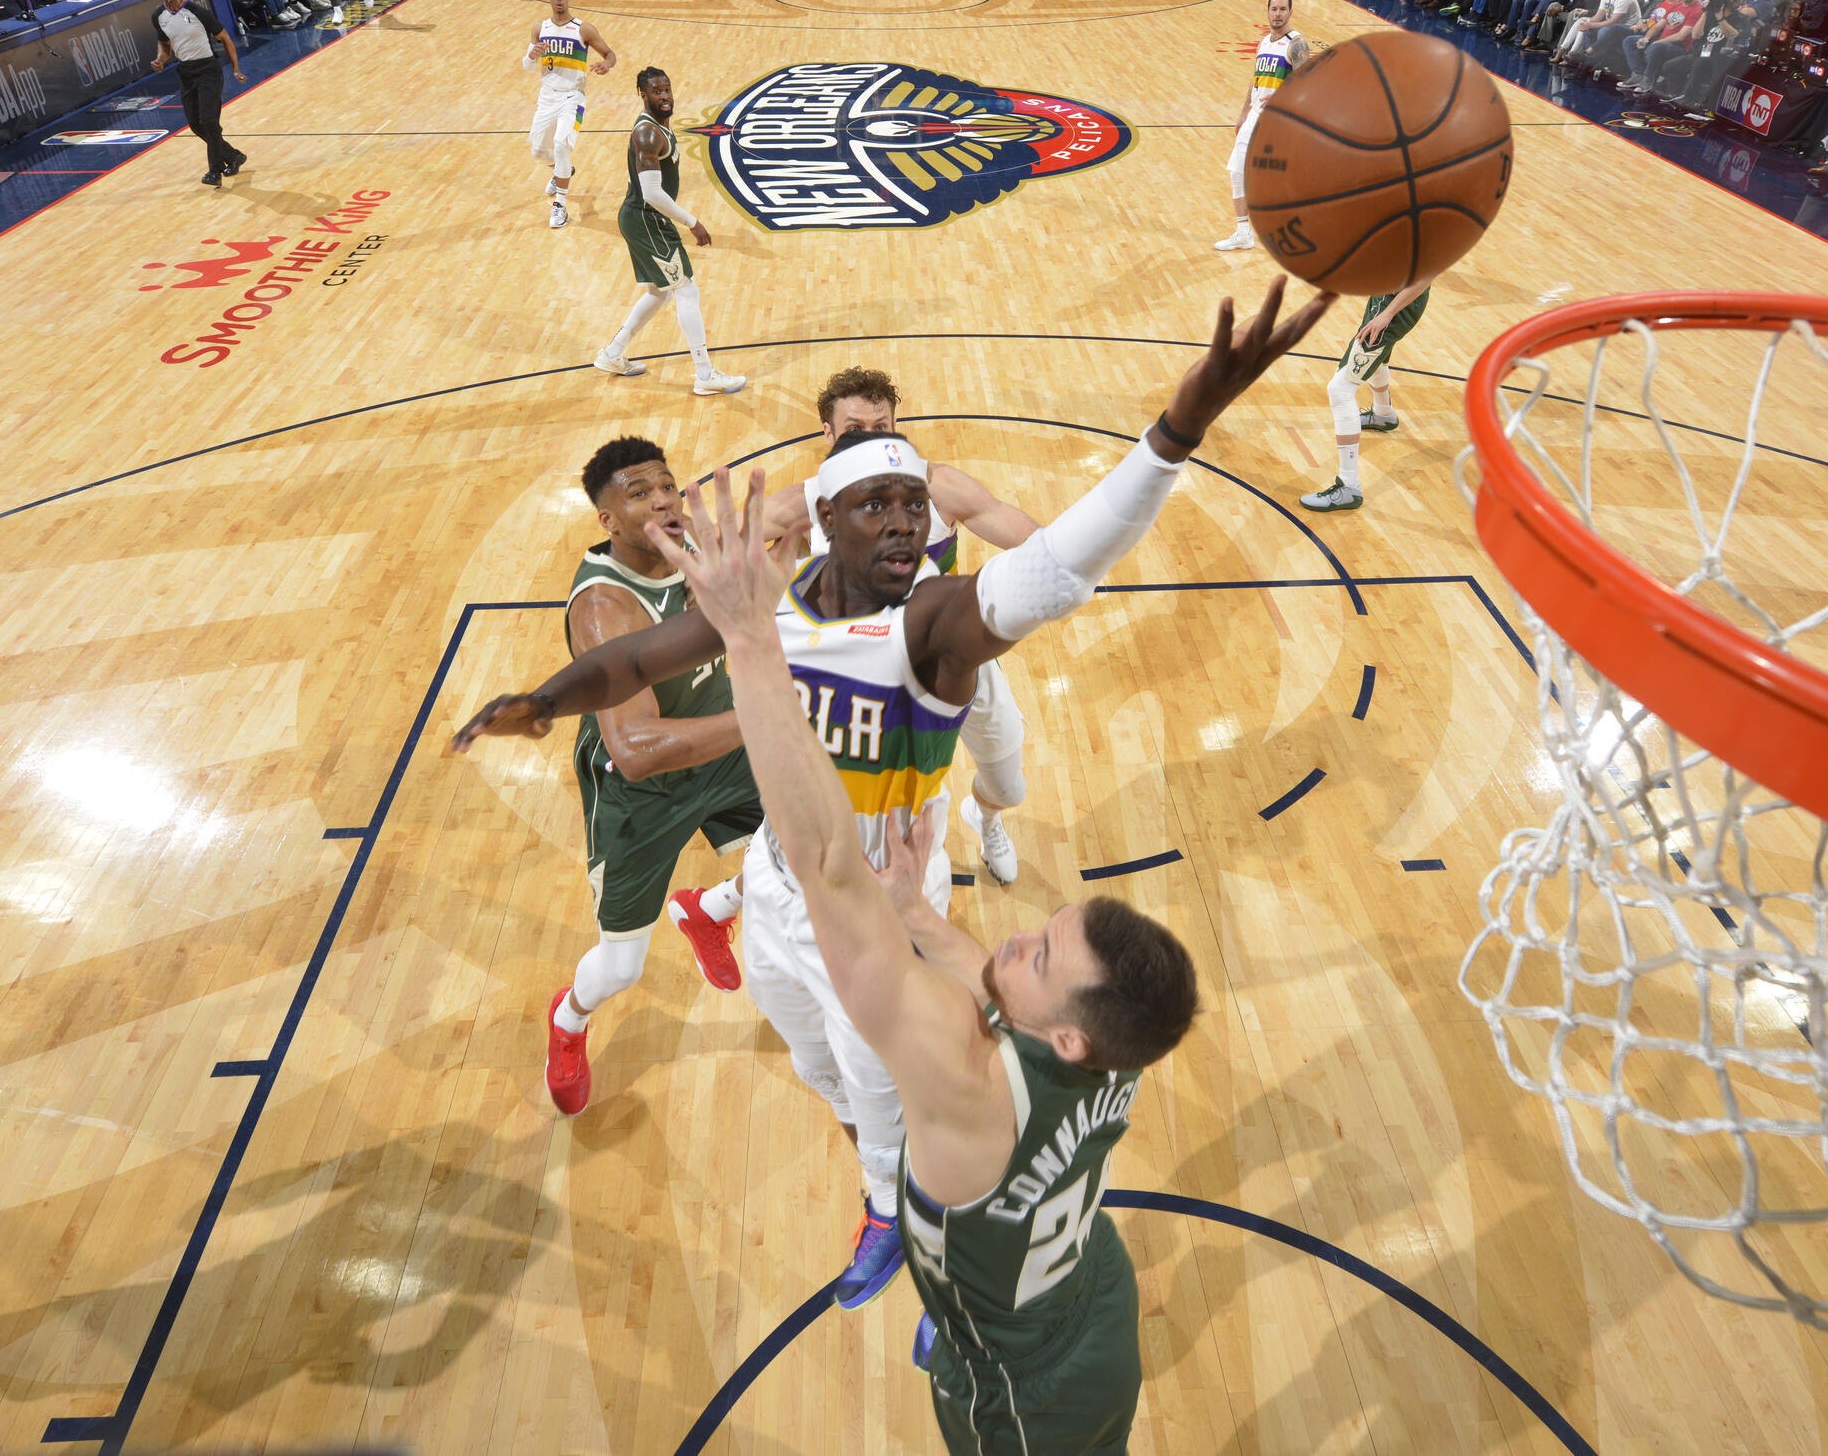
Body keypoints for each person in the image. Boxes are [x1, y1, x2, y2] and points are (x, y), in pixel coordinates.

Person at [450, 276, 1325, 1339]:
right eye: (879, 505)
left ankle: (895, 1218)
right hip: (780, 878)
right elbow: (639, 653)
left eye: (914, 503)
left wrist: (1175, 433)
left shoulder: (938, 626)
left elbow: (1054, 567)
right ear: (824, 522)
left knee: (882, 1091)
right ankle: (857, 1135)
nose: (907, 522)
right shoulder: (763, 598)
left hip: (881, 885)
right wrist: (542, 703)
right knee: (818, 1063)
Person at [453, 437, 761, 1114]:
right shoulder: (604, 606)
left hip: (724, 743)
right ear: (607, 520)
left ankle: (707, 911)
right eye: (638, 493)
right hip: (641, 791)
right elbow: (637, 748)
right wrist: (769, 716)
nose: (661, 501)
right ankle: (567, 1022)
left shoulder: (698, 546)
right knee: (621, 966)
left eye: (666, 487)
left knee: (796, 863)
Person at [760, 367, 1043, 885]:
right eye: (853, 430)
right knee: (873, 824)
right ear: (827, 434)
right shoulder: (802, 505)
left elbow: (1034, 545)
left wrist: (1073, 559)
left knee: (1008, 786)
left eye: (881, 426)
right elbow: (710, 551)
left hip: (952, 663)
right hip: (861, 682)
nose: (870, 439)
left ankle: (985, 817)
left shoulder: (940, 487)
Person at [590, 67, 744, 395]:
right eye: (656, 92)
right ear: (642, 95)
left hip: (640, 217)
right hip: (647, 218)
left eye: (667, 90)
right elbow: (651, 193)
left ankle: (613, 354)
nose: (664, 97)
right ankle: (704, 375)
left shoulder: (659, 126)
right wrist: (692, 221)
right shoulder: (647, 134)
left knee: (660, 291)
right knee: (686, 290)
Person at [1302, 279, 1434, 512]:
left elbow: (1427, 274)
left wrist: (1388, 314)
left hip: (1396, 305)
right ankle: (1383, 414)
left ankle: (1348, 488)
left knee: (1340, 389)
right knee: (1376, 356)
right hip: (1386, 296)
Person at [1216, 0, 1308, 253]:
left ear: (1290, 12)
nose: (1277, 13)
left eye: (1282, 9)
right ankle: (1244, 231)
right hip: (1255, 116)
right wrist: (1243, 113)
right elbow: (1255, 81)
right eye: (1273, 9)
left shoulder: (1296, 43)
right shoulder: (1264, 43)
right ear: (1267, 12)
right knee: (1238, 171)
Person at [525, 0, 616, 229]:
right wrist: (530, 55)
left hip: (572, 98)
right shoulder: (539, 28)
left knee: (561, 144)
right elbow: (527, 66)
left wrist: (606, 65)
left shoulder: (583, 29)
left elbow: (611, 54)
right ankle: (560, 171)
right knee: (537, 151)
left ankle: (560, 206)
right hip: (547, 96)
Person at [148, 0, 245, 188]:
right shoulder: (158, 16)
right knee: (196, 124)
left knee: (209, 121)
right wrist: (160, 59)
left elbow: (225, 38)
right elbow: (164, 43)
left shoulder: (196, 11)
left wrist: (236, 69)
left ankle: (214, 171)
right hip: (186, 72)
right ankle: (234, 156)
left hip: (208, 69)